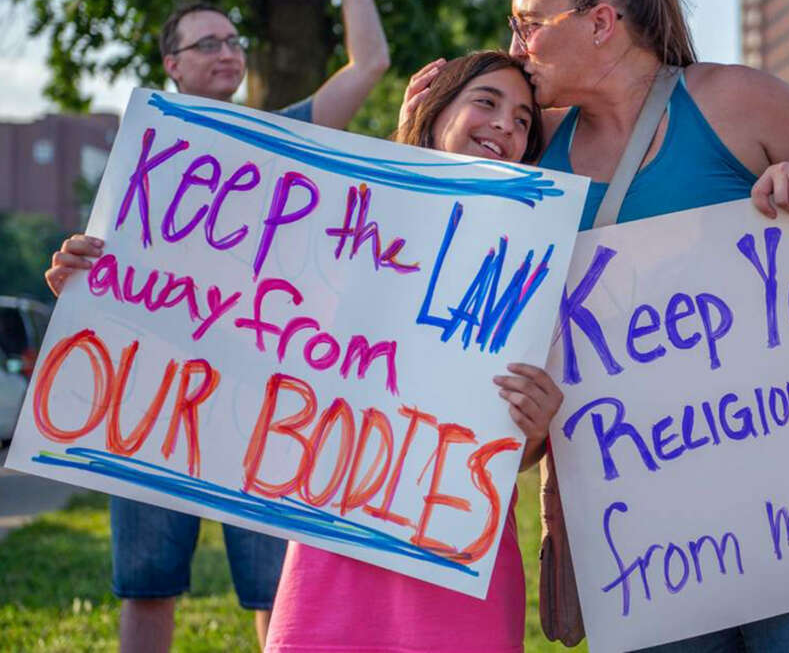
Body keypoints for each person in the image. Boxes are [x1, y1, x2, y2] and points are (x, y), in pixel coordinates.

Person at [402, 0, 789, 652]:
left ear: (600, 22)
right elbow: (440, 264)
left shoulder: (733, 100)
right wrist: (415, 141)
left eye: (527, 22)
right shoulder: (538, 144)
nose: (514, 46)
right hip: (641, 529)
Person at [48, 52, 559, 652]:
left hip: (455, 550)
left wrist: (537, 424)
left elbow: (515, 454)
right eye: (487, 101)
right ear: (437, 107)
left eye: (524, 119)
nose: (506, 124)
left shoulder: (534, 261)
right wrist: (102, 292)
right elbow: (225, 321)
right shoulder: (343, 220)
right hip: (334, 539)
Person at [44, 0, 389, 653]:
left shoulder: (282, 137)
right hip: (148, 394)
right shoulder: (143, 155)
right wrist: (70, 271)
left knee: (276, 595)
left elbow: (370, 66)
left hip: (256, 397)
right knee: (148, 584)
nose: (228, 52)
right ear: (171, 64)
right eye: (208, 43)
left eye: (235, 39)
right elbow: (98, 271)